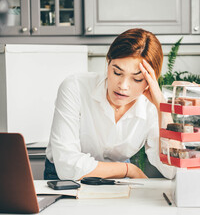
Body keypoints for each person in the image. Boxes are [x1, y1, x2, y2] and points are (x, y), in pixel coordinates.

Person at [44, 28, 175, 180]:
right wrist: (129, 169)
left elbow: (172, 170)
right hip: (64, 177)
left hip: (117, 176)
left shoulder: (150, 106)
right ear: (108, 63)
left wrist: (163, 109)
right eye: (117, 73)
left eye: (137, 79)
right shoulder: (75, 87)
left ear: (150, 80)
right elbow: (67, 166)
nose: (123, 85)